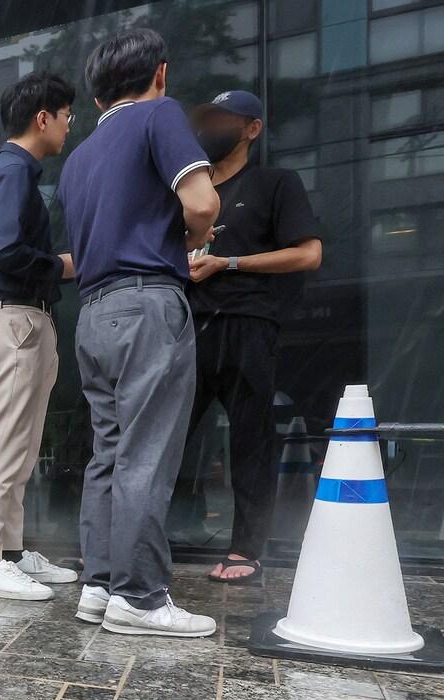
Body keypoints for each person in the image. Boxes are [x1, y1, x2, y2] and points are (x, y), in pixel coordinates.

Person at [57, 28, 220, 637]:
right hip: (149, 301)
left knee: (109, 455)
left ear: (98, 96)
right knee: (146, 455)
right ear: (160, 74)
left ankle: (99, 587)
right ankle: (142, 597)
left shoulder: (77, 160)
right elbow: (201, 203)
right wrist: (185, 243)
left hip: (94, 313)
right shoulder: (160, 116)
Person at [185, 90, 322, 585]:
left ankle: (246, 547)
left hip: (249, 322)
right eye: (207, 119)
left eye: (225, 120)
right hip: (192, 326)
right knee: (168, 436)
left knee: (250, 440)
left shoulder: (275, 183)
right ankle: (145, 537)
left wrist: (230, 262)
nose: (212, 128)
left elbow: (308, 254)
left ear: (252, 129)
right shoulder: (190, 194)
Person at [0, 71, 81, 600]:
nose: (69, 124)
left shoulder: (13, 172)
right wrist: (61, 265)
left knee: (21, 443)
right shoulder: (12, 173)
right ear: (43, 118)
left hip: (20, 319)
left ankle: (8, 553)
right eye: (66, 115)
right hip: (12, 319)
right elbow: (5, 251)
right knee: (7, 441)